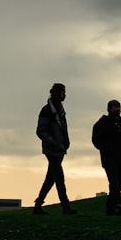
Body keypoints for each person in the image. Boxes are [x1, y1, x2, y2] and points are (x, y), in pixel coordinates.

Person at [33, 83, 77, 215]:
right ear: (58, 93)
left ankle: (38, 205)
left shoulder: (59, 110)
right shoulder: (48, 110)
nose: (65, 95)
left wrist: (65, 142)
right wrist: (55, 143)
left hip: (59, 150)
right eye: (63, 92)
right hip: (52, 150)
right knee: (59, 178)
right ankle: (65, 206)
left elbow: (62, 129)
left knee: (51, 179)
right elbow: (40, 131)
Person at [91, 99, 121, 216]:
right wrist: (107, 149)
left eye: (118, 108)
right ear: (109, 109)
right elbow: (96, 140)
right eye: (114, 108)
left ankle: (109, 206)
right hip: (109, 159)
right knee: (114, 181)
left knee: (118, 184)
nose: (117, 111)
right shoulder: (102, 124)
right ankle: (117, 205)